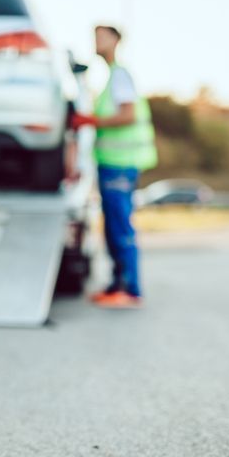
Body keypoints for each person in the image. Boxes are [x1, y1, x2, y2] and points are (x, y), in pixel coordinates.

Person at [70, 25, 157, 308]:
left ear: (116, 41)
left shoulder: (120, 75)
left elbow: (127, 116)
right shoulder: (111, 77)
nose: (96, 41)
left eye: (101, 36)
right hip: (112, 164)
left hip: (121, 164)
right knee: (112, 225)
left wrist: (89, 121)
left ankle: (130, 289)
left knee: (120, 225)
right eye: (94, 36)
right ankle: (117, 284)